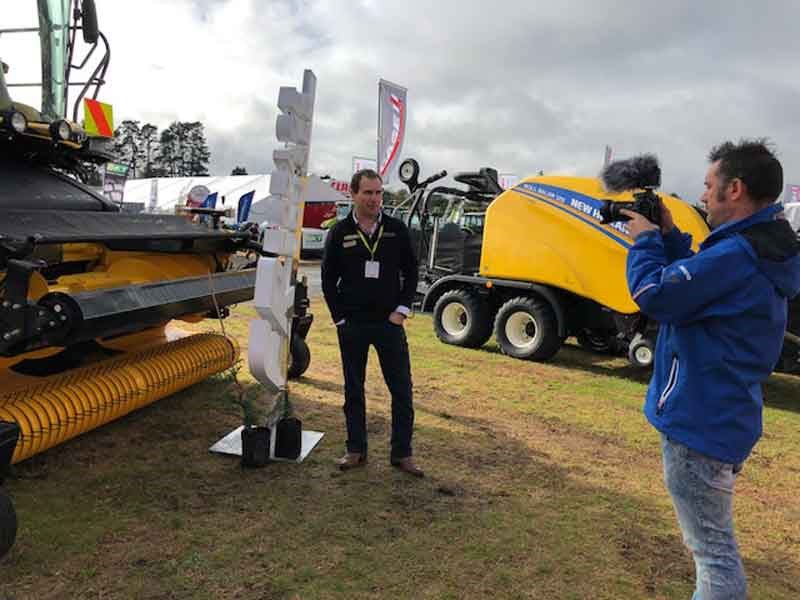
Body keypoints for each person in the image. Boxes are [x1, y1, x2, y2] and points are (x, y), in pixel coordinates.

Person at [622, 139, 800, 599]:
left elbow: (656, 295)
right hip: (724, 414)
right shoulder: (759, 248)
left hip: (699, 422)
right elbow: (702, 289)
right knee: (711, 545)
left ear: (734, 189)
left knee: (713, 553)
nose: (701, 197)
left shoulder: (738, 255)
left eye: (708, 186)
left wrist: (645, 241)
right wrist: (671, 237)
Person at [321, 168, 423, 477]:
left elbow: (412, 272)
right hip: (353, 325)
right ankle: (356, 450)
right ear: (353, 195)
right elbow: (327, 280)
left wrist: (401, 311)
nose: (374, 199)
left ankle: (402, 453)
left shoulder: (396, 229)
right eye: (368, 193)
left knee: (402, 390)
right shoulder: (339, 232)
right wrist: (340, 319)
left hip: (389, 324)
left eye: (378, 193)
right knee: (354, 389)